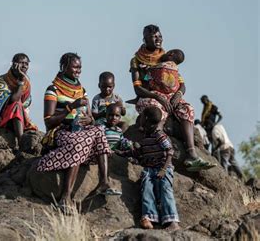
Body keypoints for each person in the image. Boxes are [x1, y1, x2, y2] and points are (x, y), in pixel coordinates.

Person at [37, 53, 121, 211]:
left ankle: (103, 182)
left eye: (80, 67)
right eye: (75, 67)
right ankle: (65, 197)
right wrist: (71, 107)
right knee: (79, 142)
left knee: (98, 129)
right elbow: (48, 121)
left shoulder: (82, 90)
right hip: (60, 132)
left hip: (81, 132)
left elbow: (90, 117)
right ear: (64, 67)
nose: (78, 70)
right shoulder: (53, 89)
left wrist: (90, 120)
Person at [130, 25, 214, 172]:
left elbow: (181, 84)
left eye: (160, 36)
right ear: (145, 38)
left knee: (187, 109)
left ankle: (191, 154)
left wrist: (178, 95)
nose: (158, 39)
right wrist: (156, 95)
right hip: (150, 96)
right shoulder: (136, 60)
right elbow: (137, 88)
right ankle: (157, 149)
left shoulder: (168, 58)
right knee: (155, 111)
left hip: (171, 96)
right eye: (154, 36)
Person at [116, 107, 180, 231]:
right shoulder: (146, 136)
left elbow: (170, 151)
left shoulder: (159, 134)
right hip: (149, 169)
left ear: (145, 119)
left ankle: (173, 222)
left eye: (141, 117)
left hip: (162, 168)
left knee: (166, 191)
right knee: (146, 190)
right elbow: (139, 151)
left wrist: (164, 169)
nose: (138, 119)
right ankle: (149, 217)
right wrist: (123, 153)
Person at [0, 53, 37, 147]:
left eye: (26, 63)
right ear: (14, 64)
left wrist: (22, 80)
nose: (24, 66)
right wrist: (20, 82)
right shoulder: (3, 79)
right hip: (2, 118)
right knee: (16, 104)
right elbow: (13, 99)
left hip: (21, 116)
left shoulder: (26, 81)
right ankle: (20, 140)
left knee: (18, 105)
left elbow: (27, 101)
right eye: (21, 63)